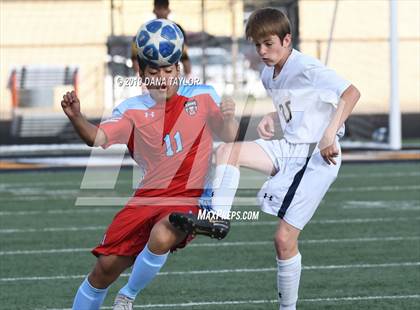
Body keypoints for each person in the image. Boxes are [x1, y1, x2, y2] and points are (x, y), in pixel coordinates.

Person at [169, 7, 361, 310]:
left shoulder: (306, 66)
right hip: (290, 148)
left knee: (284, 240)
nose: (262, 50)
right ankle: (217, 218)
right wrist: (274, 117)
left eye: (269, 43)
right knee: (227, 150)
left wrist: (329, 133)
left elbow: (351, 93)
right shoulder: (268, 74)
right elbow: (298, 107)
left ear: (287, 40)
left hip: (316, 157)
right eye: (257, 44)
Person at [63, 22, 238, 310]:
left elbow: (229, 137)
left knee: (164, 232)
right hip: (147, 198)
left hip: (189, 198)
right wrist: (77, 117)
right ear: (141, 75)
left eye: (168, 71)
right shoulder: (130, 110)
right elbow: (98, 137)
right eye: (154, 73)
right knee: (102, 271)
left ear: (178, 71)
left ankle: (127, 296)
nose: (162, 79)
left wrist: (230, 118)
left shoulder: (204, 96)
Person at [153, 0, 191, 76]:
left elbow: (184, 53)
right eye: (159, 8)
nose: (161, 12)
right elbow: (137, 56)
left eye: (164, 8)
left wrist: (188, 74)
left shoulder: (177, 29)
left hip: (171, 72)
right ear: (154, 10)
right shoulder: (148, 30)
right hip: (153, 73)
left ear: (168, 10)